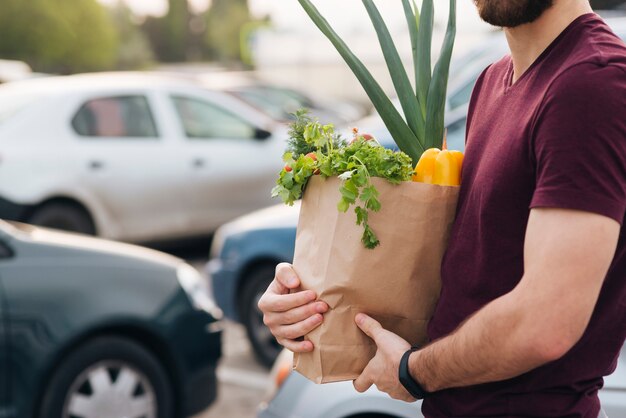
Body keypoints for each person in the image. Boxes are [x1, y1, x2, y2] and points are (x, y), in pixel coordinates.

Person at [258, 0, 626, 416]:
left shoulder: (592, 82)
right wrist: (309, 306)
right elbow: (470, 272)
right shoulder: (492, 80)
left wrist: (413, 371)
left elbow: (546, 324)